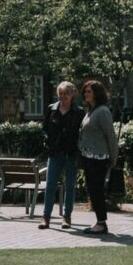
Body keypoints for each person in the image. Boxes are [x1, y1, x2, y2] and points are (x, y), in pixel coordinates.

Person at [39, 81, 83, 230]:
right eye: (60, 94)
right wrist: (46, 139)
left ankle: (67, 217)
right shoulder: (51, 109)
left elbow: (82, 132)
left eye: (66, 94)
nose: (63, 96)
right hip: (55, 153)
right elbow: (44, 129)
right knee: (50, 186)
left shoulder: (79, 112)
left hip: (71, 154)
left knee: (70, 187)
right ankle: (46, 217)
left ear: (72, 95)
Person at [78, 79, 119, 235]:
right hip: (89, 157)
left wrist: (113, 159)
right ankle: (99, 221)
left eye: (90, 91)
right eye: (86, 91)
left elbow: (111, 136)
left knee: (96, 191)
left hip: (99, 158)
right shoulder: (91, 110)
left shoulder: (102, 111)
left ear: (97, 93)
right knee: (93, 190)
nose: (86, 94)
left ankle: (101, 223)